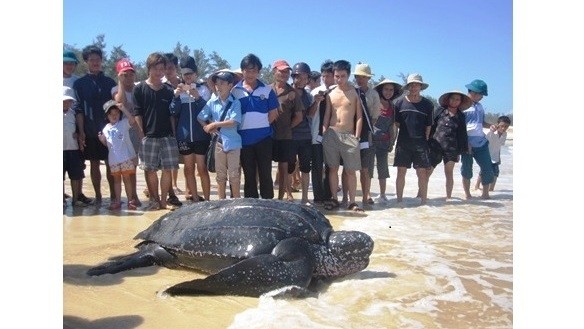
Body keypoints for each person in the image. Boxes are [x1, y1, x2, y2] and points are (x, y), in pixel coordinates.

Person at [133, 52, 180, 210]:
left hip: (167, 136)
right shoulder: (139, 89)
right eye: (156, 68)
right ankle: (153, 199)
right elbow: (137, 113)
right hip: (149, 136)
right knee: (150, 170)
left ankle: (163, 200)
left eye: (162, 69)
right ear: (149, 68)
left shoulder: (168, 90)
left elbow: (172, 115)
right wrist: (141, 134)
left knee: (168, 169)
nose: (160, 72)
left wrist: (174, 135)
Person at [72, 45, 117, 205]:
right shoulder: (79, 84)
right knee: (94, 163)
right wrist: (81, 131)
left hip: (109, 129)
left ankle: (114, 196)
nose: (95, 62)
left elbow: (116, 106)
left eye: (98, 59)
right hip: (90, 130)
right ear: (86, 62)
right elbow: (78, 109)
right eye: (92, 60)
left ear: (102, 61)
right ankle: (98, 196)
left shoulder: (109, 82)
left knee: (111, 163)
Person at [231, 53, 279, 199]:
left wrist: (261, 126)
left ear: (258, 71)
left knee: (265, 173)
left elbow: (273, 114)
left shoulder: (267, 90)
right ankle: (251, 204)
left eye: (254, 70)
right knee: (249, 174)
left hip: (264, 139)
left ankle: (268, 204)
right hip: (244, 140)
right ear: (242, 71)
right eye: (247, 70)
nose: (250, 74)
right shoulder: (235, 91)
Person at [321, 60, 363, 212]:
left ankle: (352, 201)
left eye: (343, 76)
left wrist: (357, 136)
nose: (339, 79)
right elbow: (327, 115)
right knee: (332, 168)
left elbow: (359, 116)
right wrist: (324, 132)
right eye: (337, 76)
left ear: (348, 75)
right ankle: (334, 198)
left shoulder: (355, 93)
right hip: (331, 134)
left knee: (350, 171)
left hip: (349, 135)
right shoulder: (330, 93)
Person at [170, 55, 211, 202]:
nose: (188, 76)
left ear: (196, 74)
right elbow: (173, 112)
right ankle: (194, 198)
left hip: (201, 136)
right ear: (182, 75)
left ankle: (207, 200)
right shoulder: (178, 91)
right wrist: (175, 97)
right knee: (188, 169)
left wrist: (198, 98)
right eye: (185, 74)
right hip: (184, 136)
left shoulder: (204, 90)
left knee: (202, 168)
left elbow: (207, 112)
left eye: (190, 73)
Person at [198, 71, 242, 199]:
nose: (218, 86)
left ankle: (236, 201)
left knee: (234, 175)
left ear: (230, 85)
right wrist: (206, 127)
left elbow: (234, 122)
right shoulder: (212, 102)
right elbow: (200, 117)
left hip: (233, 143)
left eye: (222, 83)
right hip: (218, 143)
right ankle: (221, 202)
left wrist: (214, 124)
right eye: (216, 84)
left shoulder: (235, 103)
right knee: (220, 175)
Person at [393, 73, 434, 205]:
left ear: (421, 87)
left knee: (421, 173)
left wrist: (426, 142)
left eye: (417, 85)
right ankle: (399, 201)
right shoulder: (399, 103)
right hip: (403, 143)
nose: (414, 87)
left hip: (421, 143)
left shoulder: (428, 104)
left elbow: (429, 126)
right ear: (408, 86)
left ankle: (423, 202)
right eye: (412, 85)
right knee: (401, 172)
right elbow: (397, 124)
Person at [427, 91, 471, 199]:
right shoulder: (439, 111)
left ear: (460, 102)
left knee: (449, 172)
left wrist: (462, 150)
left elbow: (462, 134)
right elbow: (430, 126)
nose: (455, 101)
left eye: (457, 99)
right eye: (453, 98)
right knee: (427, 171)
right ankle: (421, 195)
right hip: (435, 146)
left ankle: (449, 197)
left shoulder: (461, 116)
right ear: (448, 99)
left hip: (452, 149)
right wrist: (426, 142)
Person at [111, 58, 142, 207]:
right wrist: (120, 82)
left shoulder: (139, 88)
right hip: (122, 133)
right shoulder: (115, 89)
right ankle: (128, 197)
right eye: (125, 74)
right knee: (125, 166)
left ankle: (134, 196)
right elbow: (120, 101)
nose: (128, 77)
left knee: (134, 165)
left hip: (136, 130)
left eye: (131, 74)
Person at [98, 100, 139, 210]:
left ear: (119, 114)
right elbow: (108, 144)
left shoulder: (123, 123)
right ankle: (117, 200)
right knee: (116, 181)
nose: (114, 116)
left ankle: (130, 200)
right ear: (107, 116)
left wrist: (123, 109)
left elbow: (132, 120)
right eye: (111, 114)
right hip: (113, 159)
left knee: (127, 179)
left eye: (116, 113)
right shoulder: (106, 128)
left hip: (125, 158)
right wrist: (102, 140)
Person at [270, 59, 301, 201]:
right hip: (266, 136)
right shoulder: (266, 90)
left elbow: (299, 117)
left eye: (287, 71)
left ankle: (281, 198)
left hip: (285, 137)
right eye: (281, 71)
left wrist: (288, 128)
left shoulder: (293, 92)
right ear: (274, 71)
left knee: (283, 169)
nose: (284, 74)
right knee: (263, 168)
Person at [352, 63, 381, 207]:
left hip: (367, 133)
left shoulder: (374, 94)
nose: (360, 79)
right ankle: (349, 197)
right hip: (351, 133)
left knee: (366, 167)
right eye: (357, 76)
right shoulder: (351, 91)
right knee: (349, 167)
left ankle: (366, 194)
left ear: (368, 78)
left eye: (363, 76)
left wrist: (365, 128)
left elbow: (375, 117)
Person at [461, 79, 494, 200]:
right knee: (466, 170)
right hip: (467, 143)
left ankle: (485, 194)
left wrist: (490, 125)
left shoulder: (480, 107)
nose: (479, 97)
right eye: (479, 94)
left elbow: (481, 123)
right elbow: (459, 127)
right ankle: (467, 195)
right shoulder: (462, 106)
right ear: (471, 92)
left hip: (481, 142)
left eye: (480, 95)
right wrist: (466, 142)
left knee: (487, 168)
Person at [308, 60, 335, 204]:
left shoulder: (339, 91)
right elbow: (310, 115)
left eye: (328, 76)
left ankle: (330, 195)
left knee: (332, 166)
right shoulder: (314, 92)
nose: (326, 79)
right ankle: (318, 197)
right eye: (323, 76)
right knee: (317, 166)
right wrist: (316, 101)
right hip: (316, 136)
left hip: (334, 136)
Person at [372, 79, 402, 204]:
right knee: (367, 168)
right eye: (386, 89)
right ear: (381, 90)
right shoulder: (374, 103)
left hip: (384, 143)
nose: (388, 92)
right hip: (370, 141)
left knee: (383, 169)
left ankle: (383, 194)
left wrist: (392, 142)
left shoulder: (393, 107)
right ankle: (367, 194)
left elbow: (393, 126)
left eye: (391, 90)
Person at [290, 62, 314, 205]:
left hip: (305, 136)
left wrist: (316, 102)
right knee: (289, 168)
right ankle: (288, 195)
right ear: (293, 77)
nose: (300, 80)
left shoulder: (308, 95)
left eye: (304, 77)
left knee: (305, 168)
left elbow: (310, 115)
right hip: (291, 136)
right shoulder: (287, 92)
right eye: (298, 77)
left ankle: (305, 197)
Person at [63, 86, 91, 208]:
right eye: (63, 101)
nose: (66, 103)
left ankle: (75, 199)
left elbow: (79, 129)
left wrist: (79, 134)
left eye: (68, 101)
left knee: (76, 175)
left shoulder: (73, 113)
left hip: (73, 149)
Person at [474, 115, 511, 192]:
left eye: (506, 126)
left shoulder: (505, 134)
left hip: (496, 156)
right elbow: (484, 142)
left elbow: (500, 145)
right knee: (484, 171)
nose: (503, 128)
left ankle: (491, 189)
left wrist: (499, 157)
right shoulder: (491, 132)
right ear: (498, 124)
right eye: (502, 126)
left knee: (496, 172)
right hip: (487, 155)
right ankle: (477, 186)